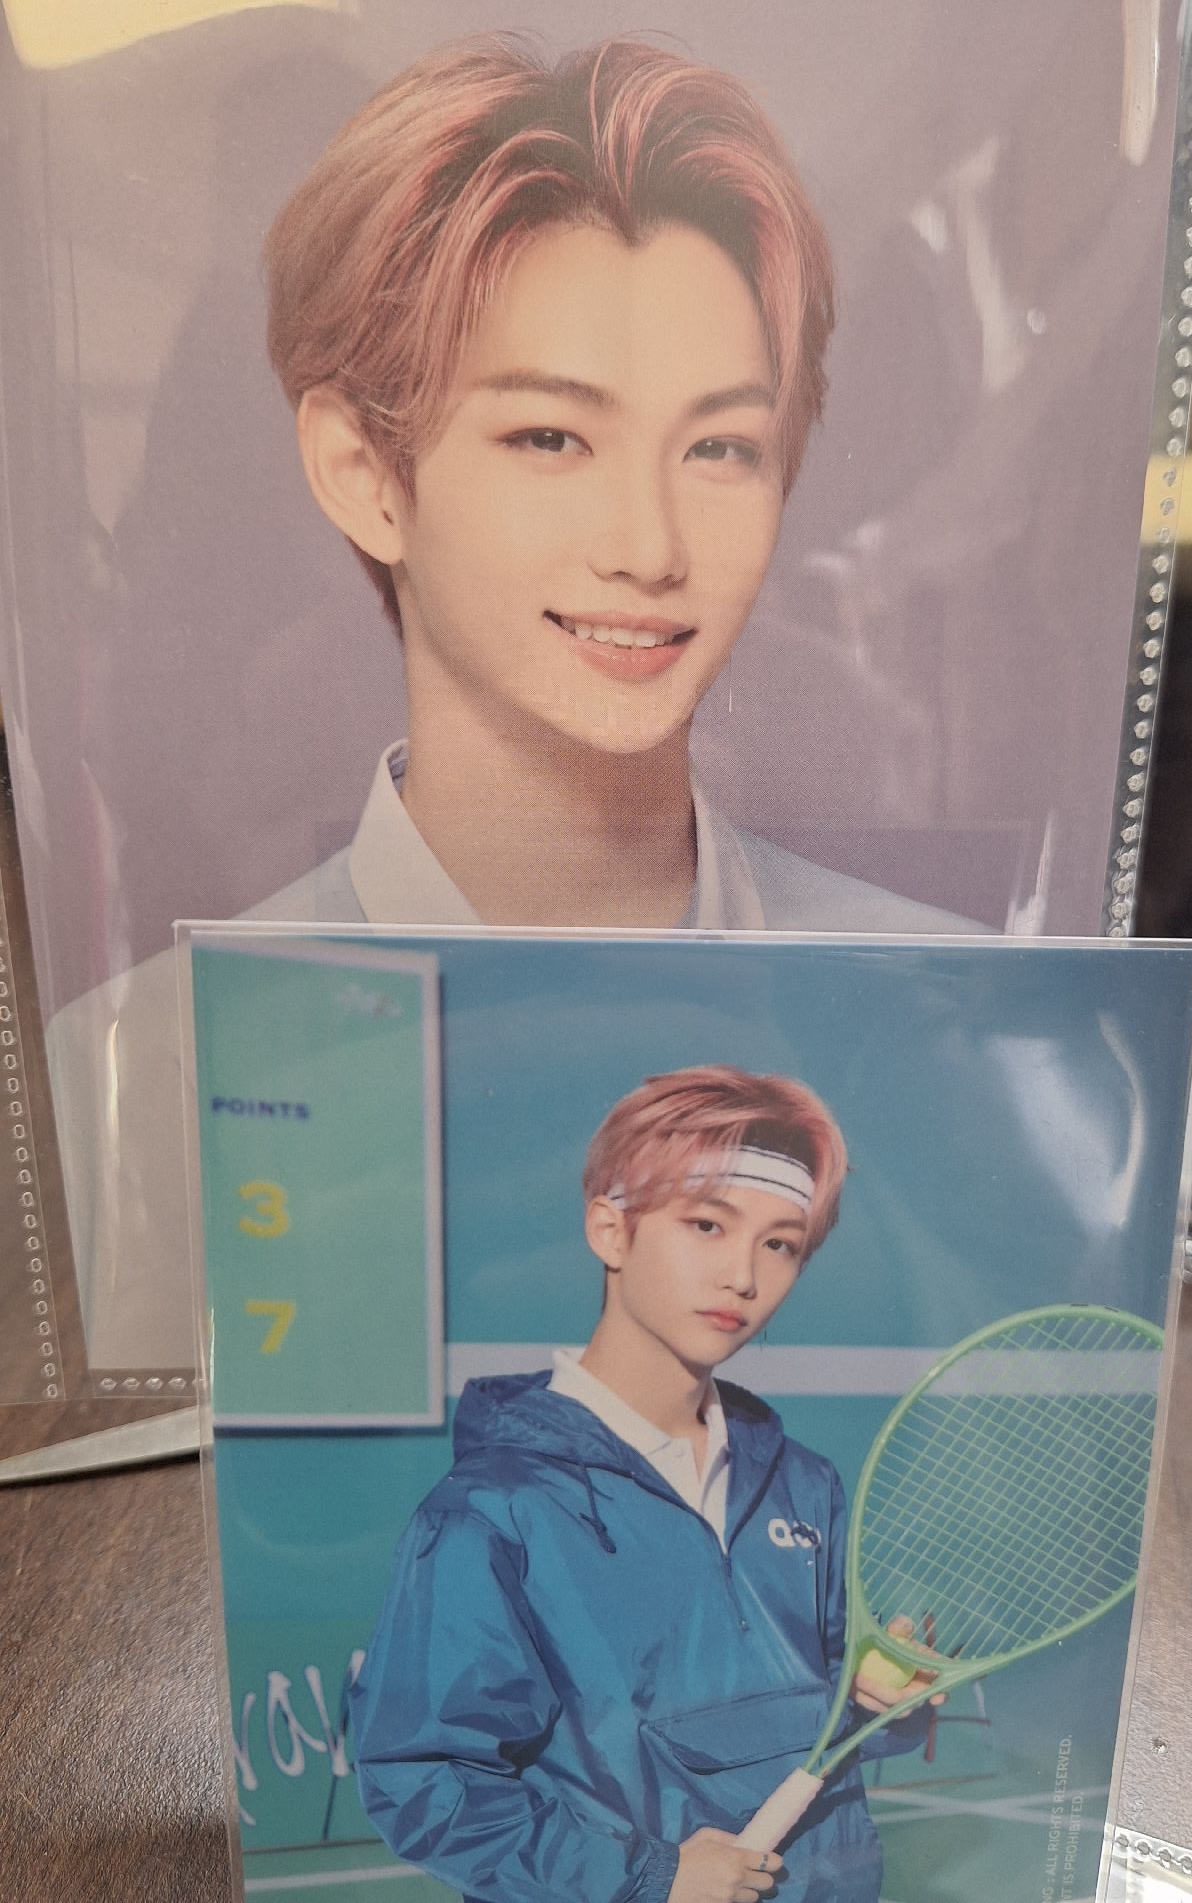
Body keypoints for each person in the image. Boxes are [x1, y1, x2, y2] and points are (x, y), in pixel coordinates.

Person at [44, 34, 976, 1374]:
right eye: (550, 435)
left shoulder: (943, 1028)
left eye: (721, 445)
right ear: (363, 471)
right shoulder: (141, 1078)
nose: (651, 544)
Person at [351, 1065, 940, 1903]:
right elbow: (423, 1780)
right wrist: (649, 1878)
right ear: (611, 1229)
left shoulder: (804, 1484)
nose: (744, 1276)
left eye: (780, 1243)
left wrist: (882, 1699)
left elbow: (830, 1715)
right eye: (707, 1223)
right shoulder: (491, 1512)